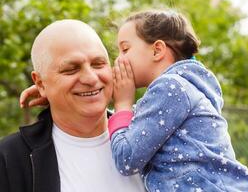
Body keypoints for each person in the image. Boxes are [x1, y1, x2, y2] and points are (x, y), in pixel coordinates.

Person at [108, 10, 248, 192]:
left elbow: (127, 159)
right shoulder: (187, 86)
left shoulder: (170, 88)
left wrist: (122, 105)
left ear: (157, 50)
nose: (119, 59)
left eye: (125, 49)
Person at [0, 19, 145, 192]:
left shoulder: (148, 135)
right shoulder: (10, 159)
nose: (91, 79)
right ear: (39, 83)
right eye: (71, 69)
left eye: (98, 64)